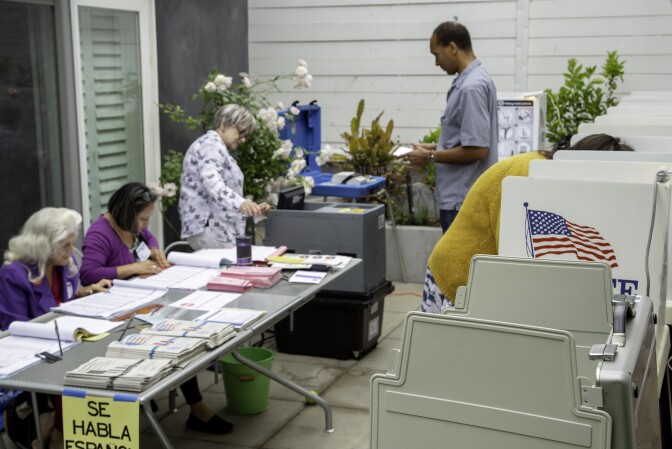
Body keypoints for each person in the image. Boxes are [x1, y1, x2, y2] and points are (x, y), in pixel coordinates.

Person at [81, 182, 232, 434]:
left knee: (180, 334)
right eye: (142, 219)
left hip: (139, 304)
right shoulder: (100, 233)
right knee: (169, 337)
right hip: (111, 314)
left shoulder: (135, 228)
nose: (145, 225)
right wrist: (132, 268)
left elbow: (148, 241)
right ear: (126, 212)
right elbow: (88, 274)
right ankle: (196, 409)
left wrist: (154, 251)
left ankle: (196, 408)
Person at [422, 134, 634, 313]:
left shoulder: (547, 173)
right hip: (457, 279)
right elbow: (514, 256)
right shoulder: (528, 175)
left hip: (483, 281)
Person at [0, 208, 111, 449]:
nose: (72, 251)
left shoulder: (63, 266)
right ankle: (60, 435)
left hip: (62, 345)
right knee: (77, 374)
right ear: (42, 245)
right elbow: (15, 327)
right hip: (30, 355)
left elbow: (60, 305)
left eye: (72, 243)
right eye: (65, 245)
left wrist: (81, 295)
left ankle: (65, 432)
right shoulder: (14, 274)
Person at [405, 21, 498, 232]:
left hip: (461, 199)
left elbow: (477, 149)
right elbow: (465, 139)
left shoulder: (470, 87)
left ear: (453, 48)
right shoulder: (477, 79)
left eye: (436, 54)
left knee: (457, 265)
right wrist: (432, 147)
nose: (436, 62)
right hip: (464, 197)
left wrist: (429, 156)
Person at [179, 104, 270, 250]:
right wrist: (241, 203)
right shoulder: (209, 145)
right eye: (241, 132)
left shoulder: (216, 147)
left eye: (246, 135)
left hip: (215, 228)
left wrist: (252, 210)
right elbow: (213, 184)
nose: (243, 139)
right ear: (224, 124)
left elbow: (220, 196)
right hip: (210, 227)